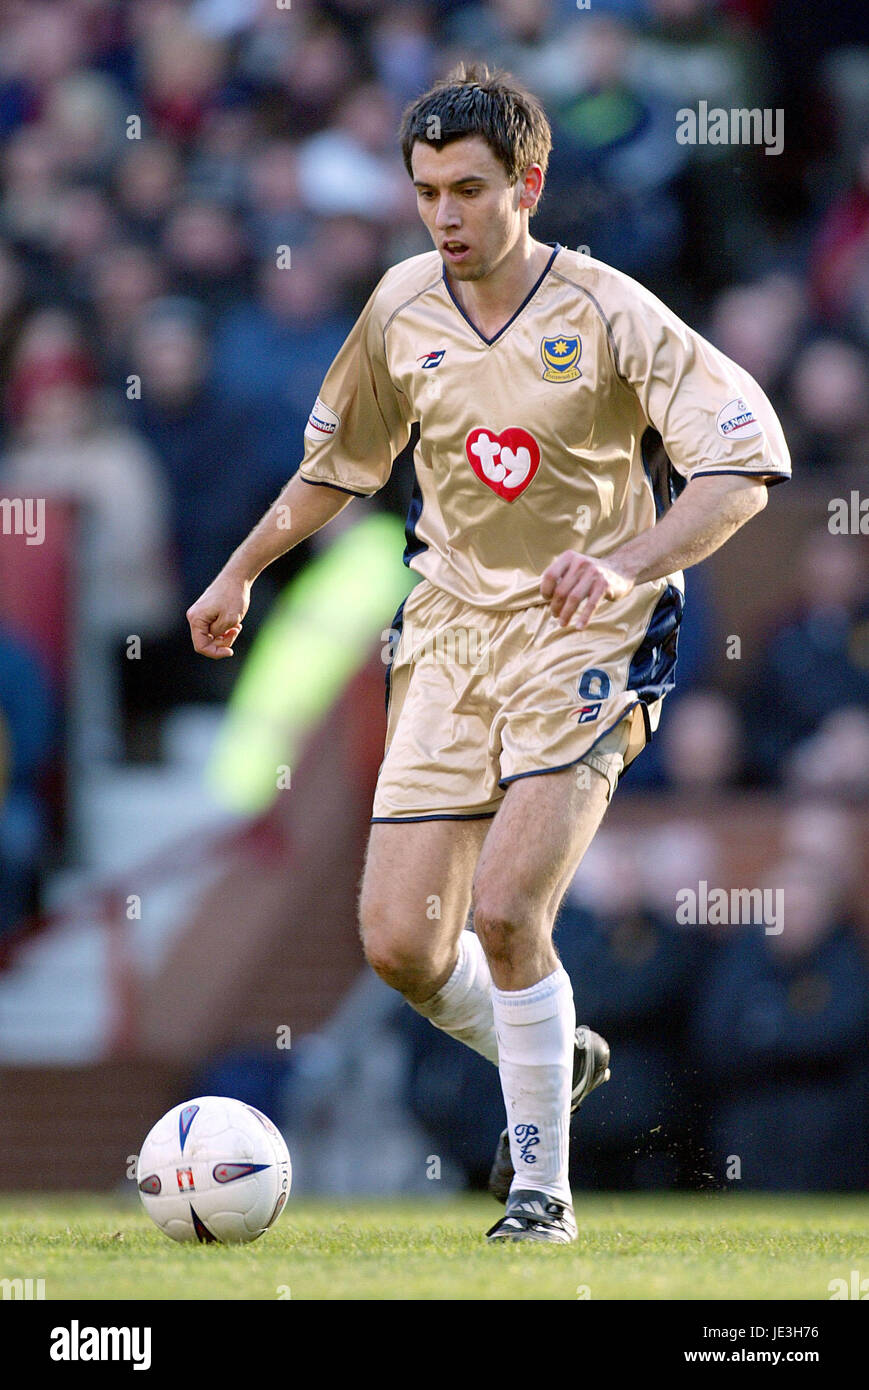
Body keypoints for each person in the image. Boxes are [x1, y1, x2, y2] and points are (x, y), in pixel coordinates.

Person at [186, 64, 790, 1244]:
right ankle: (549, 1049)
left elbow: (741, 464)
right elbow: (338, 463)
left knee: (510, 910)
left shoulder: (611, 312)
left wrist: (625, 561)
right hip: (450, 631)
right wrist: (239, 569)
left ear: (530, 181)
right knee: (401, 945)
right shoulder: (402, 305)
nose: (445, 217)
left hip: (588, 631)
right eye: (424, 192)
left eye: (467, 189)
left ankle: (539, 1195)